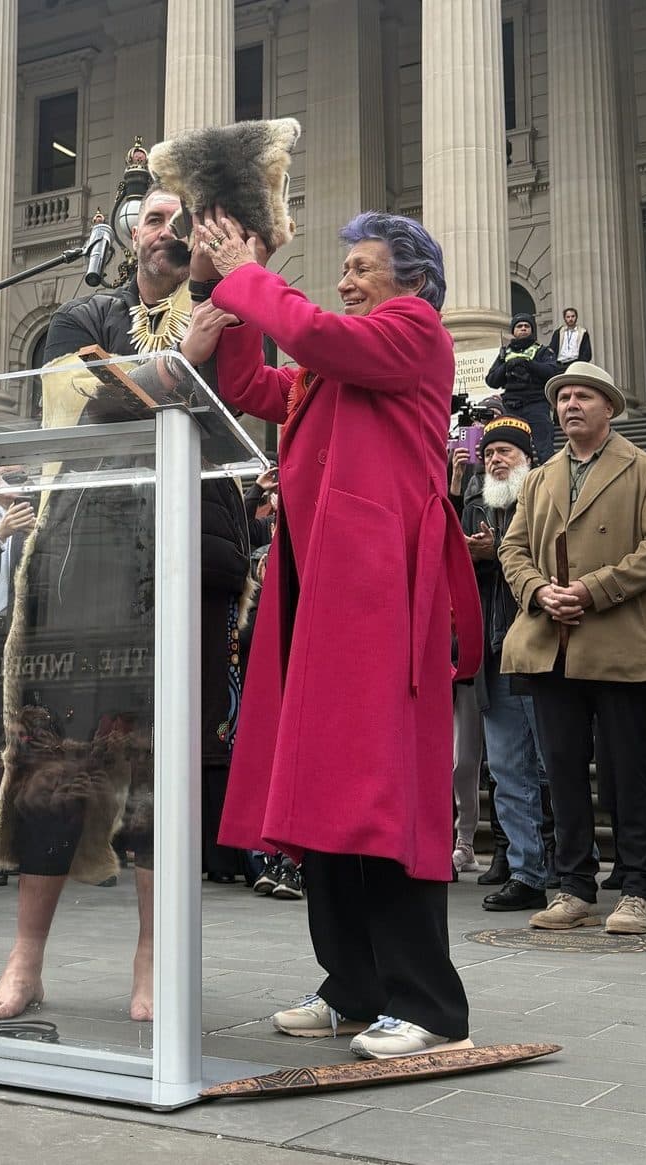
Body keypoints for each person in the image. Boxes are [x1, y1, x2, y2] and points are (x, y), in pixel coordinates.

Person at [182, 207, 480, 1060]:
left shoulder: (412, 330)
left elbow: (309, 333)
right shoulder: (338, 364)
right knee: (324, 789)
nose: (344, 279)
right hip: (322, 589)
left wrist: (251, 273)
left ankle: (427, 1003)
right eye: (343, 267)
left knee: (381, 789)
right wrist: (230, 299)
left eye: (360, 266)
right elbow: (254, 388)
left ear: (412, 278)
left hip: (379, 583)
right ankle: (351, 985)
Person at [0, 189, 248, 1022]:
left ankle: (153, 961)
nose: (170, 231)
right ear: (133, 235)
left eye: (184, 220)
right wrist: (172, 368)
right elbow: (80, 404)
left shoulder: (233, 308)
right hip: (85, 554)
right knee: (51, 763)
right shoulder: (81, 312)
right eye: (156, 219)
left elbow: (227, 405)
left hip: (191, 547)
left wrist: (202, 328)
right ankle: (24, 962)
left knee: (162, 768)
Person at [499, 361, 646, 936]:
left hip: (618, 639)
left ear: (609, 406)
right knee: (563, 770)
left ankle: (636, 888)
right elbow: (512, 550)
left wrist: (592, 590)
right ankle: (573, 886)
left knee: (629, 769)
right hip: (552, 642)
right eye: (563, 398)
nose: (570, 405)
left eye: (583, 396)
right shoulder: (539, 476)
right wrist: (539, 592)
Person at [459, 417, 550, 911]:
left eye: (506, 452)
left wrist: (502, 555)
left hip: (542, 649)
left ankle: (570, 864)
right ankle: (526, 871)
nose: (495, 459)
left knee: (555, 765)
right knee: (509, 770)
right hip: (494, 656)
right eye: (489, 452)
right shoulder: (476, 508)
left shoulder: (547, 498)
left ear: (527, 458)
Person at [485, 311, 560, 462]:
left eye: (527, 326)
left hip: (536, 405)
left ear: (532, 329)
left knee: (545, 451)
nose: (523, 328)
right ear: (513, 331)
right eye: (519, 326)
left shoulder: (542, 351)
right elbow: (491, 380)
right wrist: (506, 366)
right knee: (512, 451)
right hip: (511, 408)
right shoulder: (505, 354)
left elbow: (552, 372)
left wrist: (528, 364)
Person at [548, 307, 592, 372]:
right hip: (559, 365)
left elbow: (587, 353)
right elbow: (551, 349)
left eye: (573, 316)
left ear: (576, 317)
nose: (570, 319)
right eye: (568, 317)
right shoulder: (558, 332)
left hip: (576, 366)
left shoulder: (583, 333)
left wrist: (580, 364)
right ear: (564, 318)